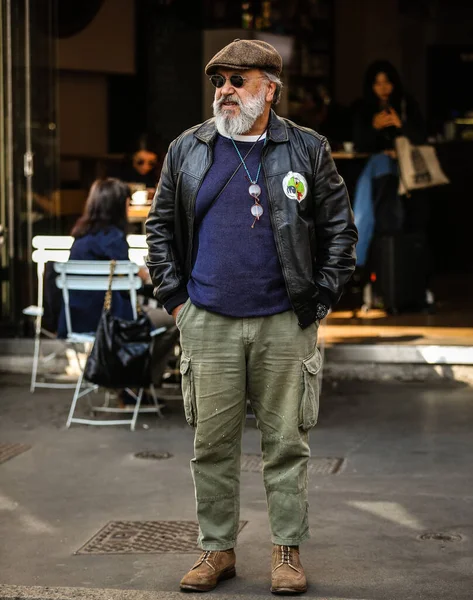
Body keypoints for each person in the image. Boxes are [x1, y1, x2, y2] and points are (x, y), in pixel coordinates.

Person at [146, 39, 357, 595]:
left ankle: (286, 553)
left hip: (284, 321)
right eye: (219, 81)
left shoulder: (307, 149)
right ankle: (216, 551)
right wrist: (177, 304)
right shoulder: (187, 149)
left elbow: (341, 232)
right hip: (207, 319)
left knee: (286, 444)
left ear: (271, 88)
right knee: (210, 445)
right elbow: (159, 229)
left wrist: (318, 305)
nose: (225, 91)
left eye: (239, 81)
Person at [56, 179, 176, 382]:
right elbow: (131, 278)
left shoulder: (80, 235)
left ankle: (130, 385)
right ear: (118, 206)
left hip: (77, 318)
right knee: (176, 320)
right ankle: (137, 382)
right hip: (114, 320)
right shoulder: (113, 238)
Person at [351, 60, 427, 270]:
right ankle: (367, 259)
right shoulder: (365, 109)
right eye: (377, 84)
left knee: (376, 174)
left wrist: (401, 125)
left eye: (387, 82)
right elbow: (360, 144)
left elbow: (423, 137)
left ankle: (359, 256)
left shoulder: (405, 105)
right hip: (380, 174)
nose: (383, 88)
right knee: (379, 163)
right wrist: (373, 127)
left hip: (406, 173)